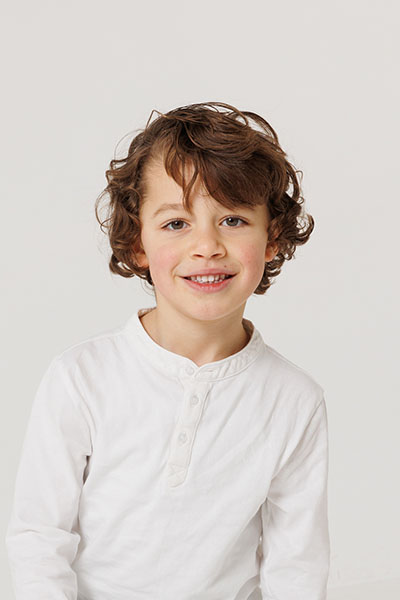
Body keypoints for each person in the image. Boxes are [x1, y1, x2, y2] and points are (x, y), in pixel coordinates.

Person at [5, 101, 330, 599]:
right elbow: (40, 538)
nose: (207, 245)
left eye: (233, 220)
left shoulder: (294, 399)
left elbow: (296, 566)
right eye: (176, 223)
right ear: (138, 243)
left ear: (272, 238)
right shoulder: (81, 377)